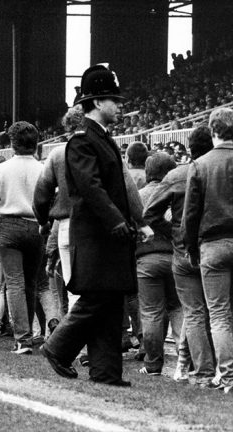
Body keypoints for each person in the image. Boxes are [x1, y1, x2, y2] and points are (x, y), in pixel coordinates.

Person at [40, 64, 152, 387]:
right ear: (97, 101)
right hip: (97, 237)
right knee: (97, 299)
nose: (119, 105)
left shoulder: (102, 139)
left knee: (110, 301)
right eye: (113, 100)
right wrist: (119, 221)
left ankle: (105, 372)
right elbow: (91, 188)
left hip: (109, 236)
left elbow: (117, 190)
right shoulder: (82, 142)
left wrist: (132, 223)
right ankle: (58, 348)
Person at [0, 121, 59, 354]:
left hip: (9, 227)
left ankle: (22, 338)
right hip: (37, 227)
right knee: (32, 284)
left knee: (14, 283)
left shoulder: (2, 169)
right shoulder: (44, 169)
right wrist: (47, 224)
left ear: (12, 144)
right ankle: (30, 336)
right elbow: (54, 201)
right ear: (36, 144)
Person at [143, 125, 216, 386]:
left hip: (184, 250)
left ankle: (202, 370)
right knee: (220, 312)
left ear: (189, 148)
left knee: (193, 313)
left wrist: (175, 233)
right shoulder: (221, 169)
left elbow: (149, 214)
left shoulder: (177, 175)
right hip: (216, 244)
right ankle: (218, 368)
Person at [182, 107, 233, 394]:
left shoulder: (200, 165)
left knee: (220, 314)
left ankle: (227, 377)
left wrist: (190, 247)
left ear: (213, 130)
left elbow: (191, 214)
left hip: (212, 245)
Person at [134, 153, 187, 377]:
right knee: (179, 309)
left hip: (146, 260)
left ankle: (153, 364)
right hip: (175, 257)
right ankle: (186, 359)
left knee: (151, 312)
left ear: (148, 172)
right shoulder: (175, 192)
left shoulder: (137, 196)